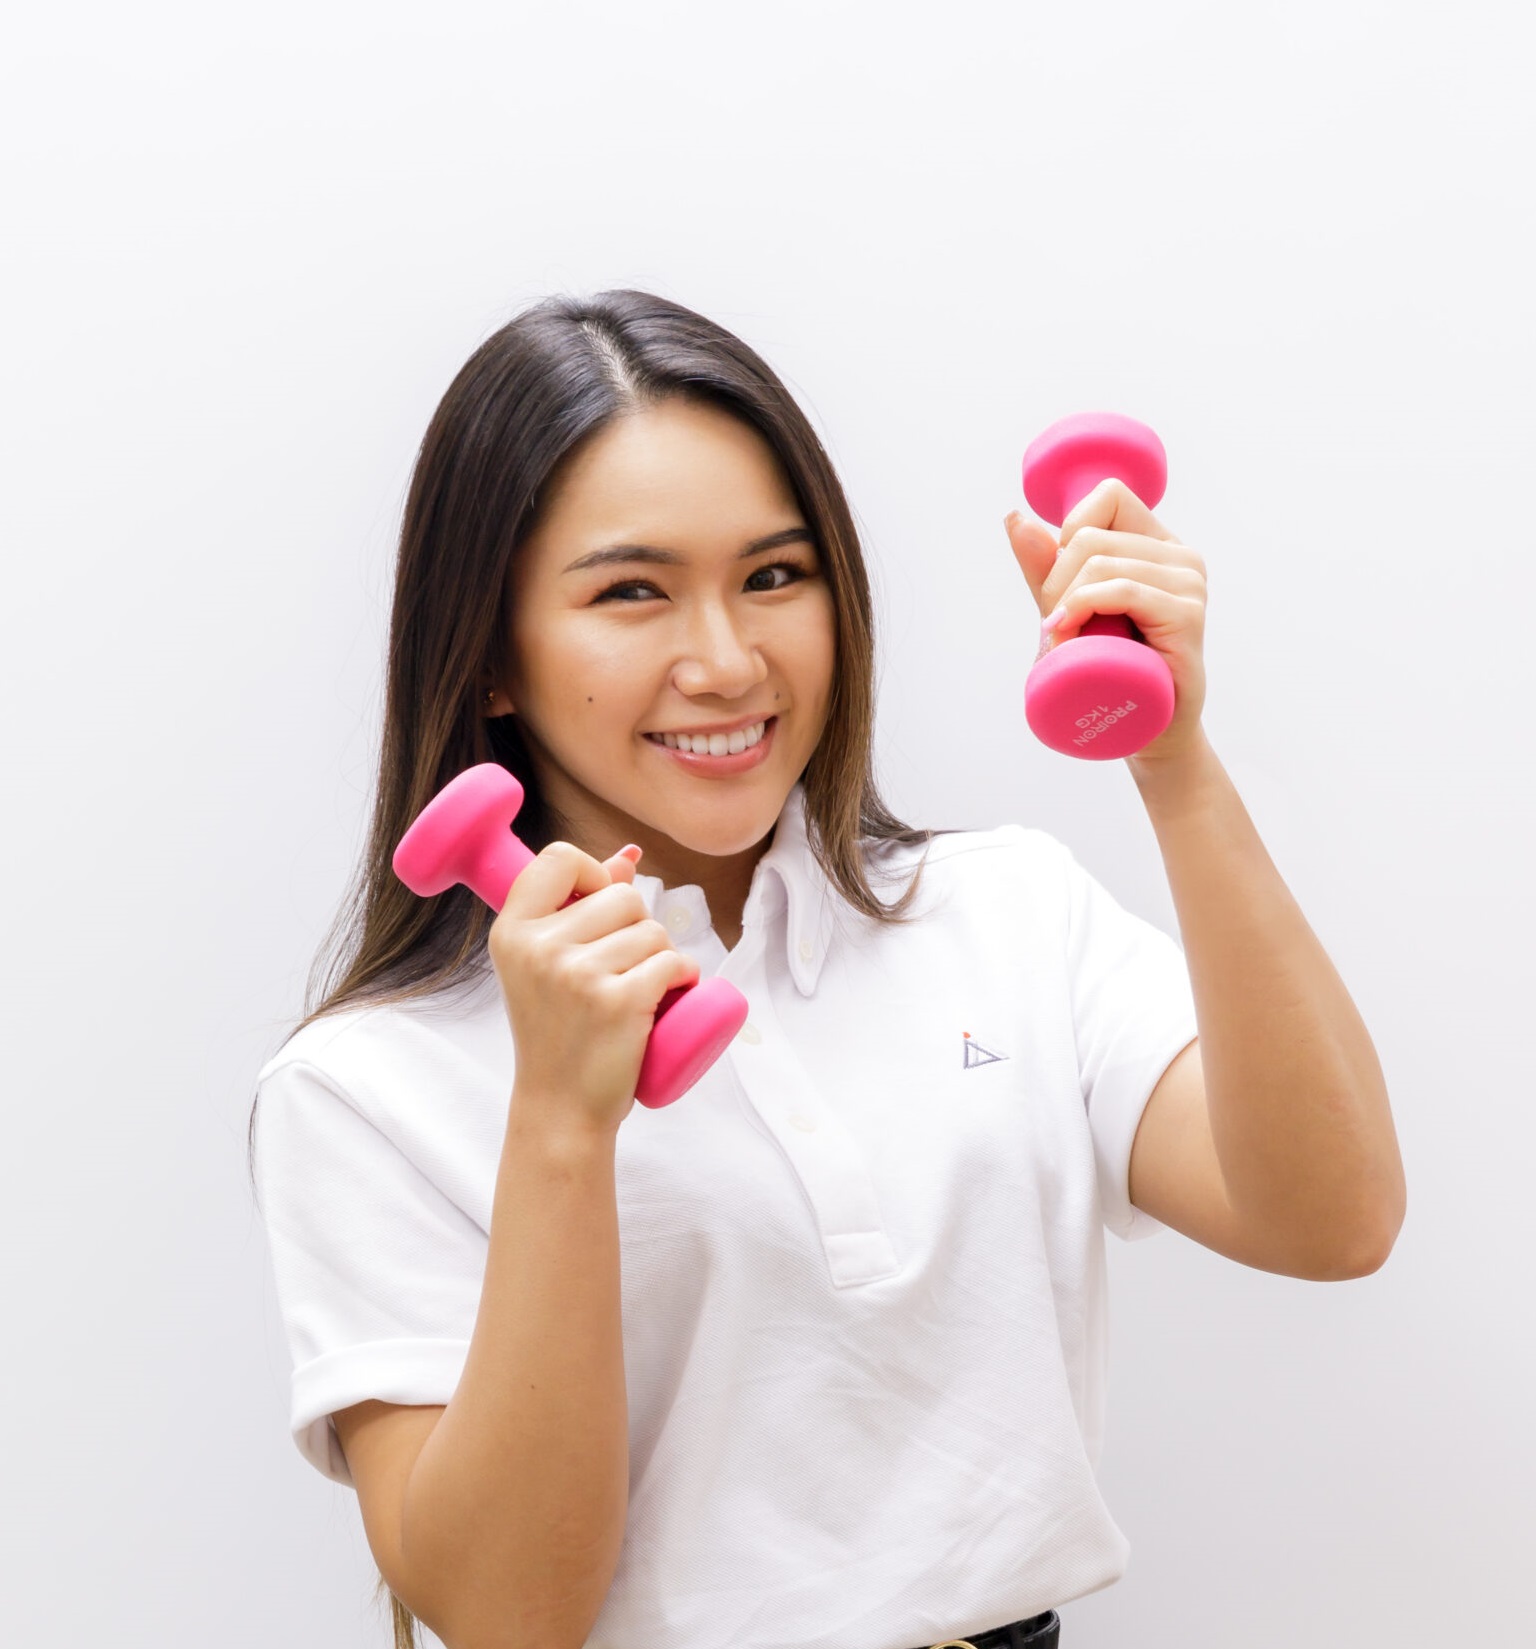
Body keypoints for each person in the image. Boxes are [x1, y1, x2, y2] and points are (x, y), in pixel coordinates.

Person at [248, 289, 1404, 1649]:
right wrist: (559, 1118)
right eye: (631, 591)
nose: (727, 661)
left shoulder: (1002, 910)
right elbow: (507, 1618)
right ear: (492, 654)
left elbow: (1329, 1220)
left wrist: (1172, 757)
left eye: (774, 576)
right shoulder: (361, 1086)